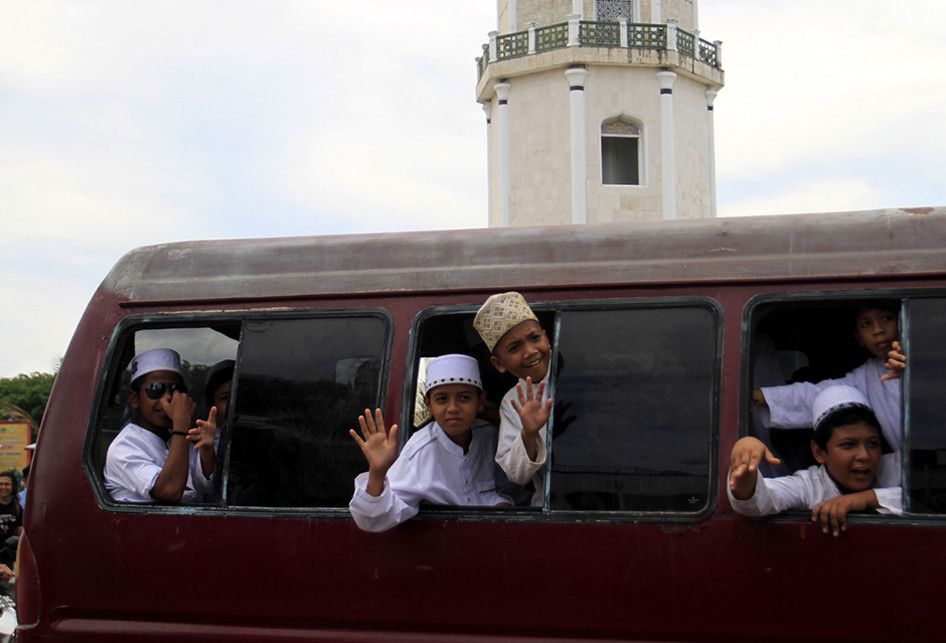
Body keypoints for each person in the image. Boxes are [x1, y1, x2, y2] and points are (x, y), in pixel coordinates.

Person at [349, 354, 512, 532]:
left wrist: (502, 505)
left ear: (480, 402)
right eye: (442, 399)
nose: (453, 408)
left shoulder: (489, 436)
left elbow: (512, 490)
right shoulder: (420, 451)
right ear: (429, 406)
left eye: (464, 398)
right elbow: (372, 519)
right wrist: (377, 473)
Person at [751, 302, 903, 484]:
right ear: (859, 338)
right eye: (866, 324)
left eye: (887, 318)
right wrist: (763, 397)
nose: (878, 330)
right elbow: (820, 395)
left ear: (902, 321)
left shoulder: (927, 355)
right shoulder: (868, 375)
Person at [729, 384, 901, 537]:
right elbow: (763, 499)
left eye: (872, 444)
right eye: (849, 445)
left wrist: (864, 499)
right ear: (819, 452)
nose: (864, 455)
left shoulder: (895, 467)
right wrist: (746, 471)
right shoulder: (808, 485)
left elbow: (917, 497)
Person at [104, 348, 218, 503]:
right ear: (134, 399)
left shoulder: (176, 437)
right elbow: (168, 491)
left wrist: (206, 451)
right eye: (155, 389)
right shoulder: (124, 447)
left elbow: (203, 486)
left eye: (175, 389)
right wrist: (181, 425)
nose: (167, 398)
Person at [473, 292, 553, 506]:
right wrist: (529, 433)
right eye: (514, 347)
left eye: (535, 338)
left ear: (547, 338)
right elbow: (516, 474)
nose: (530, 351)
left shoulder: (574, 374)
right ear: (498, 364)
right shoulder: (512, 402)